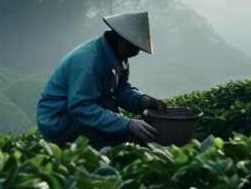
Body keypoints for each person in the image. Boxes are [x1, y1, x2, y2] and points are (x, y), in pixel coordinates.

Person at [37, 12, 166, 148]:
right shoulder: (89, 61)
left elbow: (121, 89)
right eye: (133, 49)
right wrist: (127, 124)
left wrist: (142, 100)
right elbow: (80, 106)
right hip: (60, 120)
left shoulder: (119, 55)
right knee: (130, 138)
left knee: (113, 109)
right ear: (121, 40)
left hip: (79, 110)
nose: (133, 55)